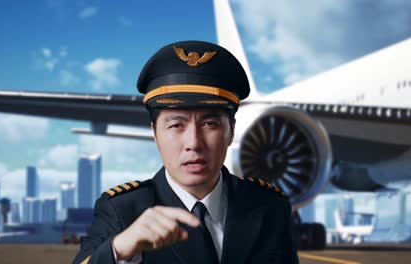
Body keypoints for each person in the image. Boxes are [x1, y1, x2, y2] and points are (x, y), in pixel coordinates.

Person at [72, 40, 299, 264]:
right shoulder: (121, 210)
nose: (193, 143)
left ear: (231, 132)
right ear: (155, 133)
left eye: (210, 124)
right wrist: (118, 249)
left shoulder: (270, 208)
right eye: (176, 125)